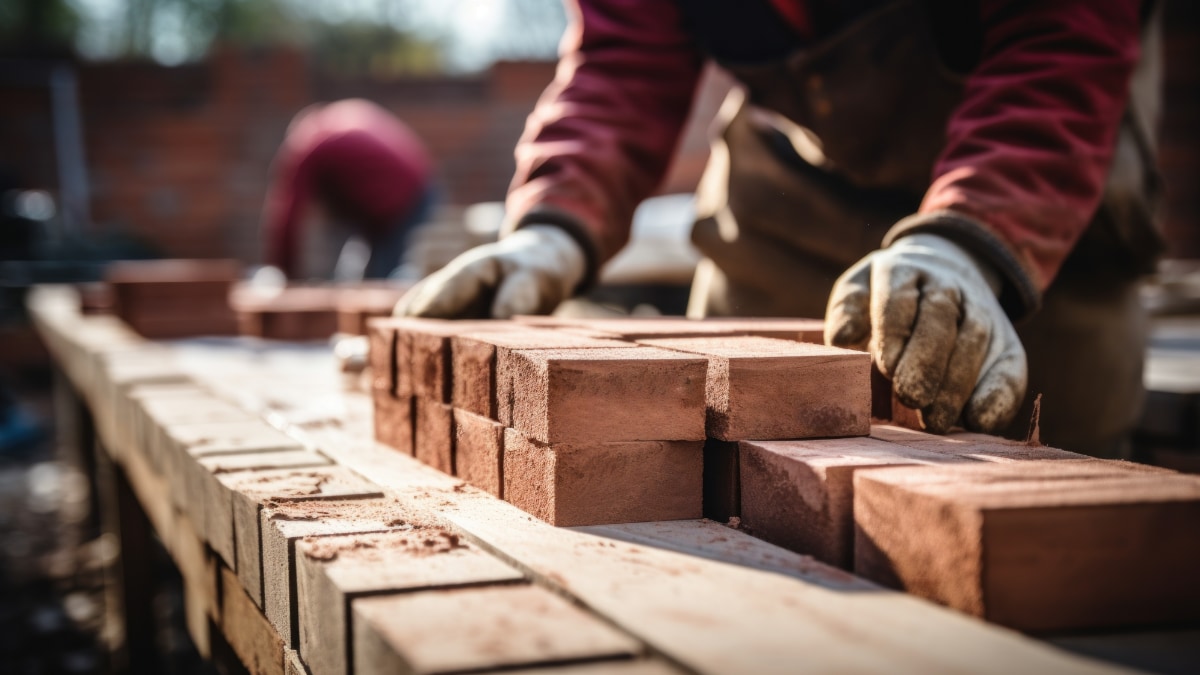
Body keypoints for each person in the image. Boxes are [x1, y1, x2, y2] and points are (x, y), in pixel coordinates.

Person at [395, 0, 1162, 457]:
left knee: (1041, 454)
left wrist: (970, 239)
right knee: (722, 445)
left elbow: (1061, 40)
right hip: (795, 172)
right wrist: (553, 225)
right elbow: (624, 57)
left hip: (1039, 166)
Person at [261, 98, 435, 281]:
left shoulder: (309, 144)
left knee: (381, 280)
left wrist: (283, 272)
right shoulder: (336, 120)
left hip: (402, 201)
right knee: (366, 272)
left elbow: (287, 213)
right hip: (418, 186)